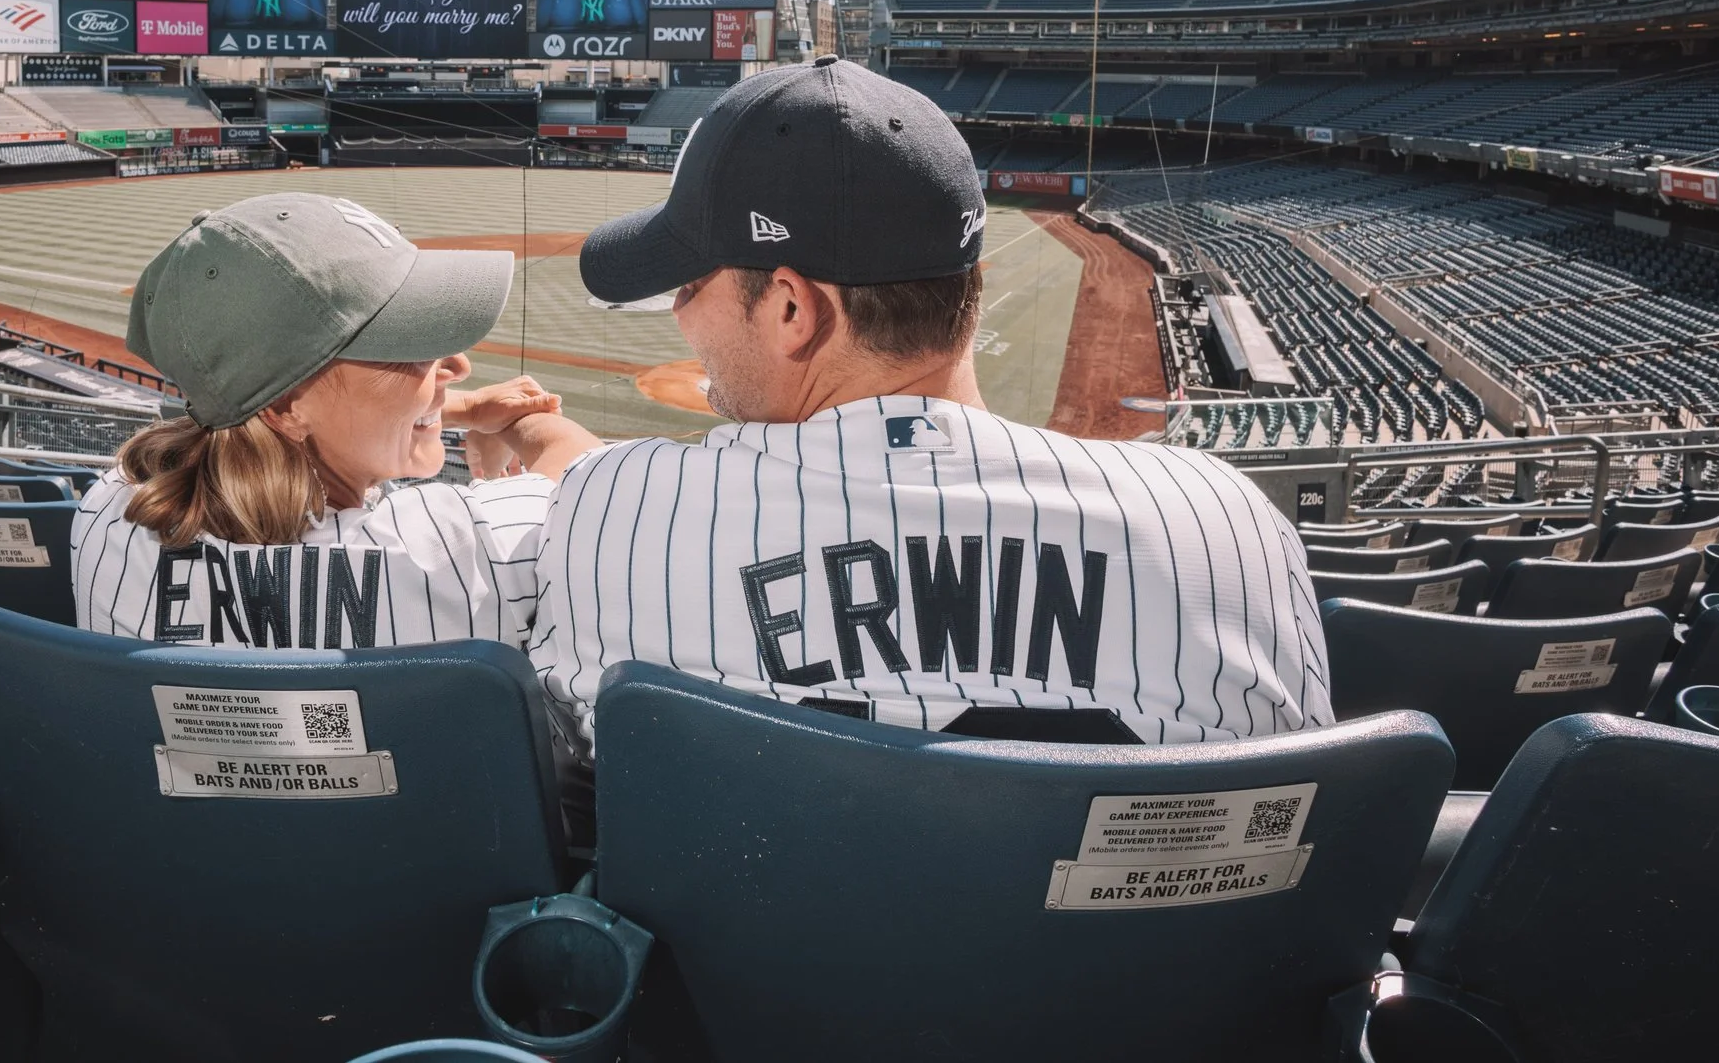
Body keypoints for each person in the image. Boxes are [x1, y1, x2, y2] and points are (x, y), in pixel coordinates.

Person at [528, 57, 1331, 755]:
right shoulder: (1228, 524)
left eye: (688, 284)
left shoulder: (614, 508)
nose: (678, 312)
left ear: (789, 310)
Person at [74, 193, 597, 648]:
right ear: (285, 408)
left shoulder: (108, 510)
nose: (458, 366)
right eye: (409, 346)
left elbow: (223, 418)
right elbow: (588, 469)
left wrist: (451, 408)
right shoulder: (457, 551)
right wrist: (506, 425)